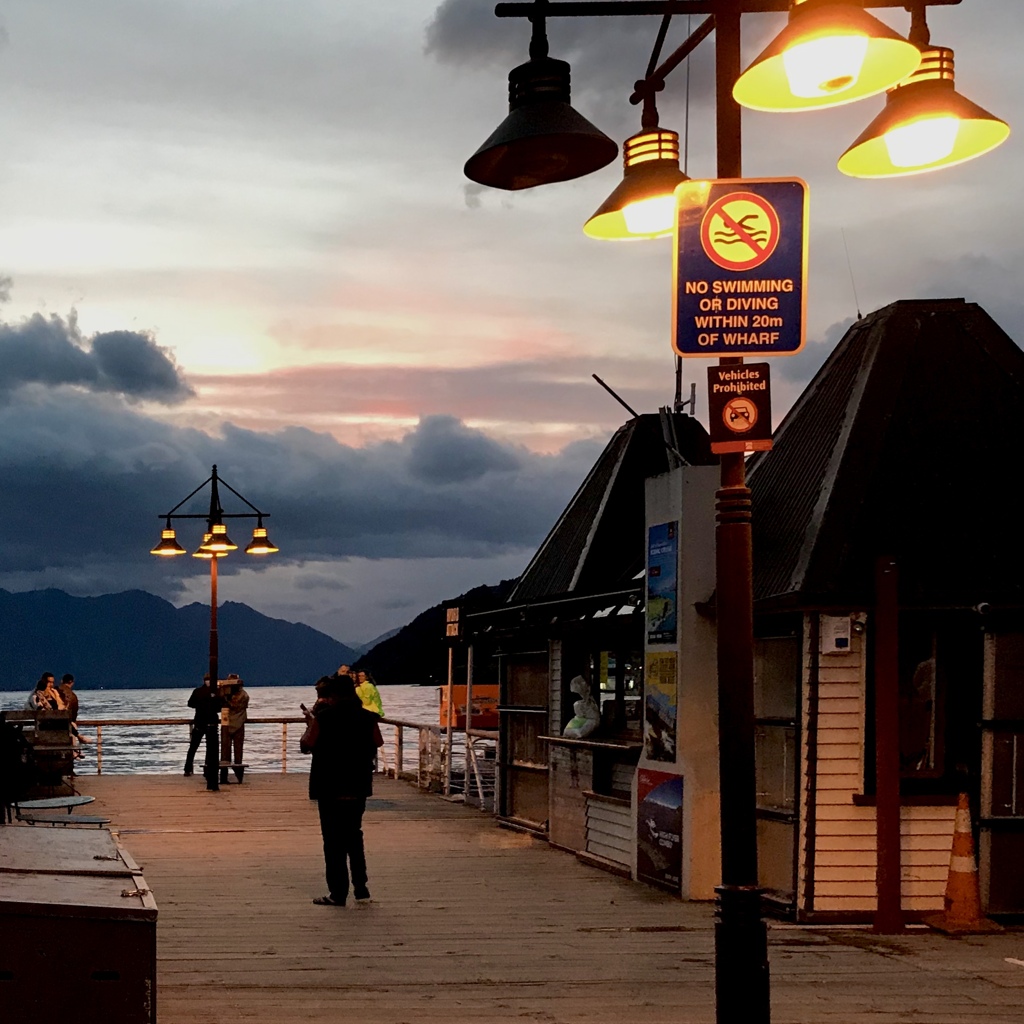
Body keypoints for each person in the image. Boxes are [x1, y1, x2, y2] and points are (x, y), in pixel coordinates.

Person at [305, 673, 378, 907]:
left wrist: (311, 722)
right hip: (358, 783)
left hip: (330, 784)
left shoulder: (324, 718)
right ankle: (361, 887)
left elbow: (307, 744)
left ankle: (338, 892)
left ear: (333, 694)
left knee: (333, 841)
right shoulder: (367, 717)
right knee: (354, 836)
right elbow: (378, 741)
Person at [184, 674, 222, 777]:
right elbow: (220, 706)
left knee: (196, 747)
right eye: (207, 679)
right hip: (207, 722)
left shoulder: (198, 691)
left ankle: (189, 768)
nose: (208, 681)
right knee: (208, 747)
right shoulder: (215, 692)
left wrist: (200, 706)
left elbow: (190, 704)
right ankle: (198, 768)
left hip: (201, 721)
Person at [223, 676, 249, 782]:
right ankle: (231, 775)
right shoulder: (244, 694)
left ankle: (237, 775)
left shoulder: (242, 695)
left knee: (234, 752)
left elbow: (233, 705)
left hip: (232, 724)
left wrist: (225, 696)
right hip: (233, 723)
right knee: (229, 752)